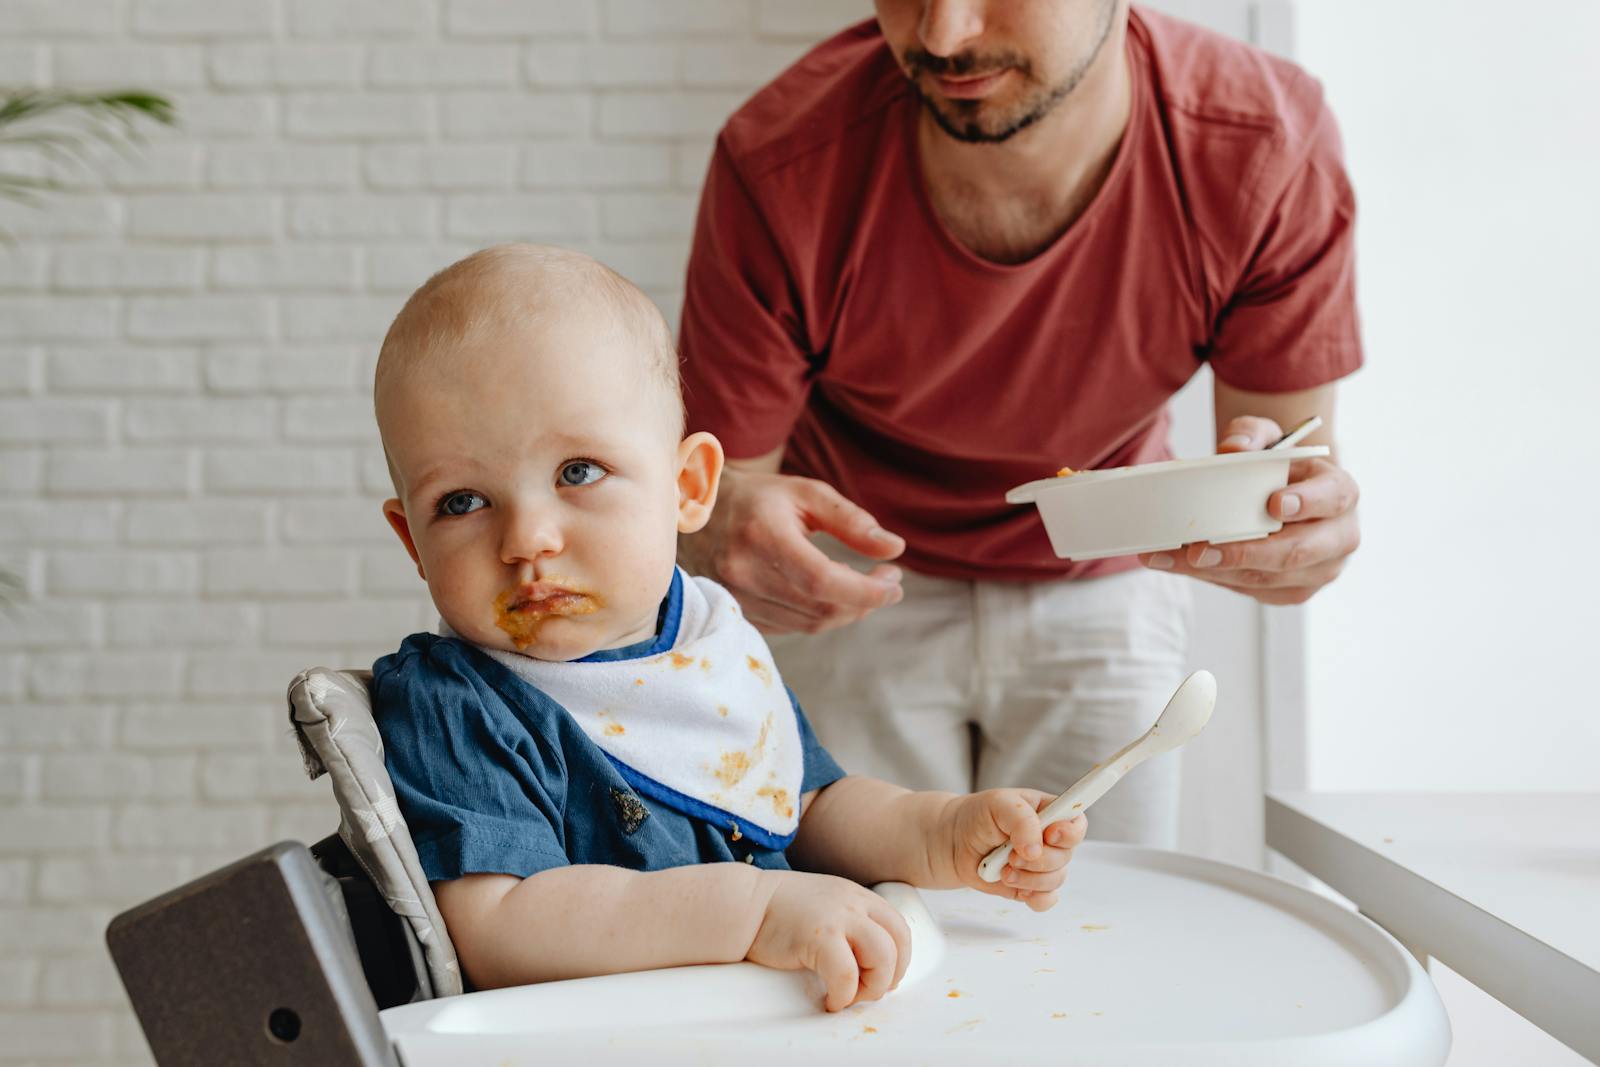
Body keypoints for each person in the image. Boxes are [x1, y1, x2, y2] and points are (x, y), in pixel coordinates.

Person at [676, 0, 1364, 847]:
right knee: (862, 935)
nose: (942, 35)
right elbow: (718, 493)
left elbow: (1284, 464)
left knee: (1103, 920)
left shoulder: (1263, 143)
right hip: (854, 577)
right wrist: (715, 535)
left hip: (1104, 566)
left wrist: (1291, 533)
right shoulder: (782, 157)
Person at [367, 243, 1088, 1011]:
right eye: (461, 502)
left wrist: (940, 830)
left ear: (688, 488)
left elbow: (806, 807)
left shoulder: (707, 646)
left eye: (577, 472)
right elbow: (503, 927)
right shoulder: (458, 700)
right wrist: (754, 910)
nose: (527, 538)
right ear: (413, 541)